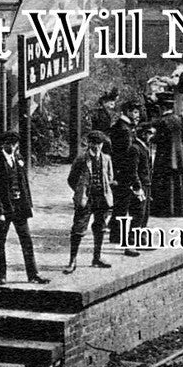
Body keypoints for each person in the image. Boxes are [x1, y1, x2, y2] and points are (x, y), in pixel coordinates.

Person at [0, 131, 50, 285]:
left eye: (15, 144)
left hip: (19, 207)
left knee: (26, 240)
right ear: (3, 144)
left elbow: (24, 184)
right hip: (4, 208)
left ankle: (33, 274)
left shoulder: (19, 159)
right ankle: (1, 275)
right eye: (9, 144)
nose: (13, 147)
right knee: (0, 241)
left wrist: (28, 205)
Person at [65, 131, 115, 272]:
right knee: (78, 229)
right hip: (86, 200)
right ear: (89, 143)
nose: (97, 147)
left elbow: (110, 177)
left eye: (99, 144)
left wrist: (105, 189)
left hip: (102, 199)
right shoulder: (81, 159)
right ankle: (72, 261)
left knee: (100, 227)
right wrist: (80, 192)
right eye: (94, 143)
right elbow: (71, 179)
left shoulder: (106, 159)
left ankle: (97, 258)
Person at [149, 97, 183, 217]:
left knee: (166, 180)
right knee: (182, 180)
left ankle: (168, 209)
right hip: (180, 153)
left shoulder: (162, 121)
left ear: (162, 108)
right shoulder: (178, 118)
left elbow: (160, 138)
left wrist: (151, 138)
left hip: (166, 154)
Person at [108, 100, 150, 257]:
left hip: (121, 172)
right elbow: (126, 155)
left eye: (138, 112)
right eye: (135, 112)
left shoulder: (122, 126)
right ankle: (129, 240)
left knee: (120, 205)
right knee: (130, 207)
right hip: (125, 173)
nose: (137, 115)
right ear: (127, 112)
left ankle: (116, 234)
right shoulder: (125, 130)